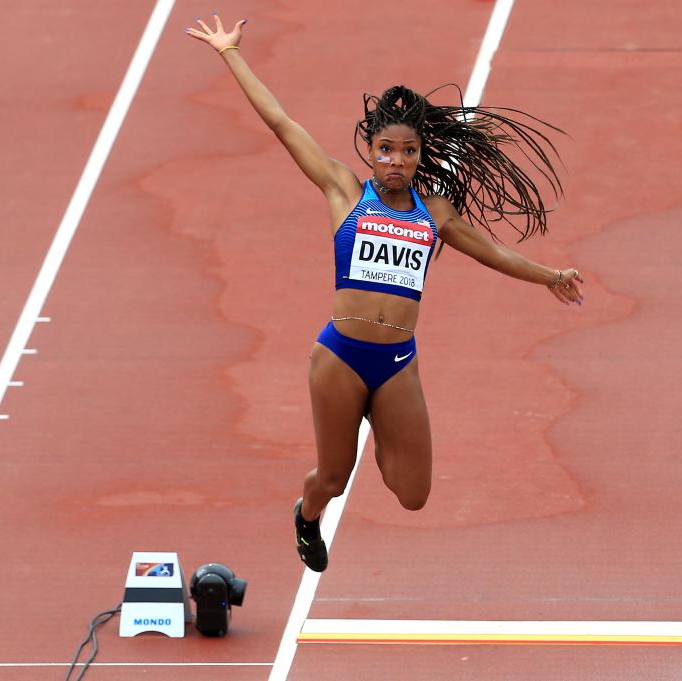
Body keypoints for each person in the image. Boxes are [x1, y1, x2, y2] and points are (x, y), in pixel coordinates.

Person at [186, 14, 584, 572]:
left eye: (408, 151)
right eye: (386, 149)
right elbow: (280, 122)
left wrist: (550, 276)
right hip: (341, 357)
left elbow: (493, 252)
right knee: (332, 478)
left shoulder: (434, 211)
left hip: (396, 361)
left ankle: (376, 422)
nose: (396, 161)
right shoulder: (343, 190)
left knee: (412, 492)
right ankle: (306, 515)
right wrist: (230, 53)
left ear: (422, 155)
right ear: (371, 148)